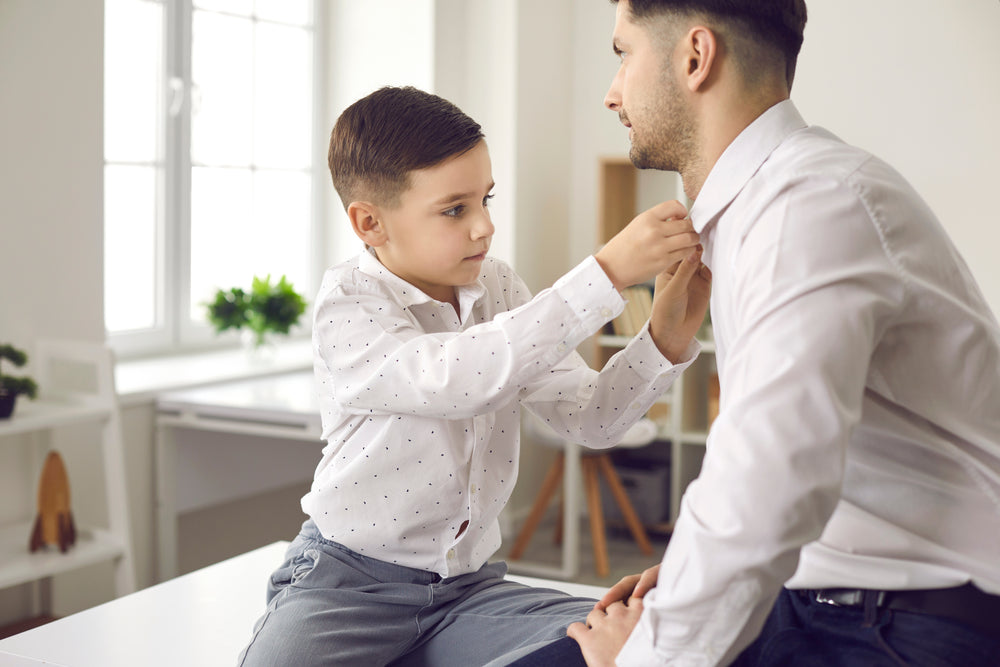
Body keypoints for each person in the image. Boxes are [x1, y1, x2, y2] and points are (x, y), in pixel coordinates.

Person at [567, 1, 1000, 665]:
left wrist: (648, 657)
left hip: (915, 620)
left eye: (623, 54)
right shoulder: (758, 210)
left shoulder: (811, 204)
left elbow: (766, 481)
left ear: (695, 56)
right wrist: (683, 579)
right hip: (822, 596)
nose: (611, 91)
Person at [237, 85, 711, 666]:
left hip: (467, 592)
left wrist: (666, 337)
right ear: (369, 222)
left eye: (486, 199)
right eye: (455, 209)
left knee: (626, 641)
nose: (484, 227)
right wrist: (606, 273)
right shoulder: (349, 303)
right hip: (347, 587)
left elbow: (593, 419)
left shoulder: (500, 287)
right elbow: (453, 379)